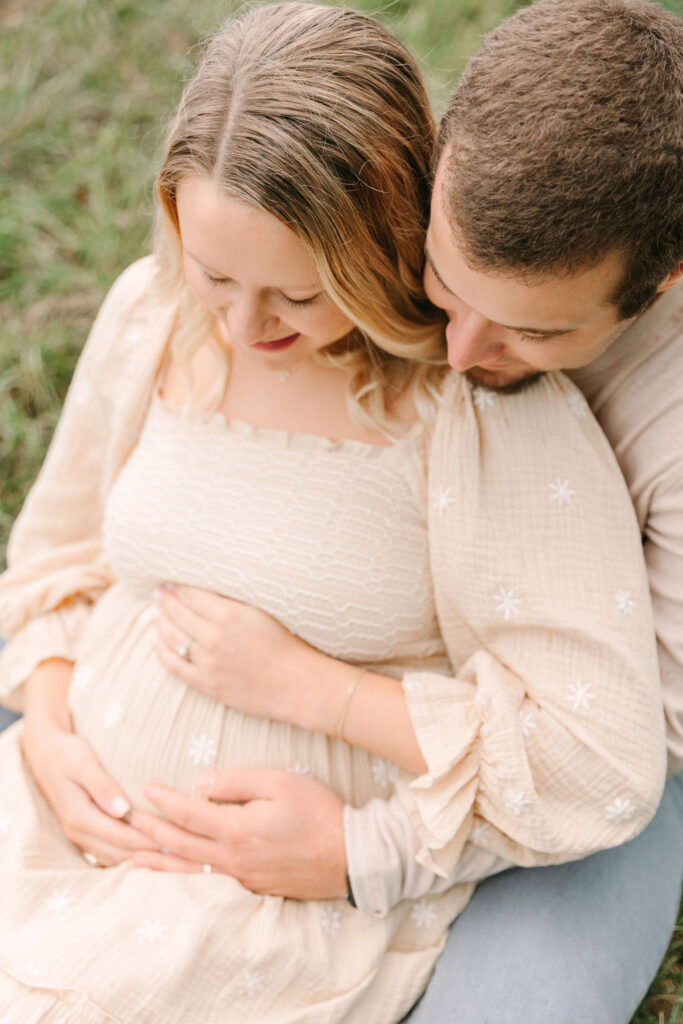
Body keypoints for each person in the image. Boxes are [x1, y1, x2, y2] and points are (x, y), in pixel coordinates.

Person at [0, 2, 669, 1023]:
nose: (240, 322)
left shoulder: (484, 423)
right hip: (56, 820)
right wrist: (46, 727)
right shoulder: (153, 315)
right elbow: (58, 558)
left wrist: (320, 726)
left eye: (297, 297)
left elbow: (601, 753)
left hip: (271, 899)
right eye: (215, 272)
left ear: (373, 244)